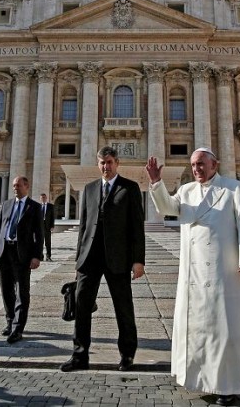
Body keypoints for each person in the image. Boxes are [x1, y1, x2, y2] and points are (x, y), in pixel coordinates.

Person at [147, 148, 240, 406]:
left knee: (222, 329)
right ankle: (196, 379)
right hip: (193, 275)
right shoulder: (186, 190)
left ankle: (225, 386)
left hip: (224, 272)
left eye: (201, 164)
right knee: (196, 329)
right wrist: (156, 183)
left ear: (214, 165)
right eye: (193, 165)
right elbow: (168, 208)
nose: (197, 169)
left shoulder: (232, 189)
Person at [60, 146, 145, 373]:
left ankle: (127, 354)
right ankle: (79, 355)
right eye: (102, 163)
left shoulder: (130, 188)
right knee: (81, 307)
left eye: (109, 162)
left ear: (117, 163)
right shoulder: (89, 189)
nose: (105, 167)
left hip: (118, 258)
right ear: (97, 164)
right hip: (90, 258)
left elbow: (137, 227)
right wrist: (78, 262)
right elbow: (83, 228)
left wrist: (138, 260)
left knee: (123, 307)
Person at [0, 176, 43, 344]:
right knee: (6, 290)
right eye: (13, 186)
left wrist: (36, 256)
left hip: (22, 254)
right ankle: (10, 321)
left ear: (26, 186)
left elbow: (39, 234)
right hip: (4, 252)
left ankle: (19, 328)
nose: (15, 188)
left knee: (22, 292)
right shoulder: (6, 205)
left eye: (18, 186)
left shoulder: (34, 207)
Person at [39, 193, 55, 261]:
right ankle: (40, 256)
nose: (43, 199)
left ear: (46, 198)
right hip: (39, 227)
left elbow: (53, 217)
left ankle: (48, 256)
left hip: (47, 226)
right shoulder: (38, 206)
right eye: (42, 198)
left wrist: (52, 226)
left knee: (48, 242)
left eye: (44, 197)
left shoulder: (50, 206)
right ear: (40, 199)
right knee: (40, 242)